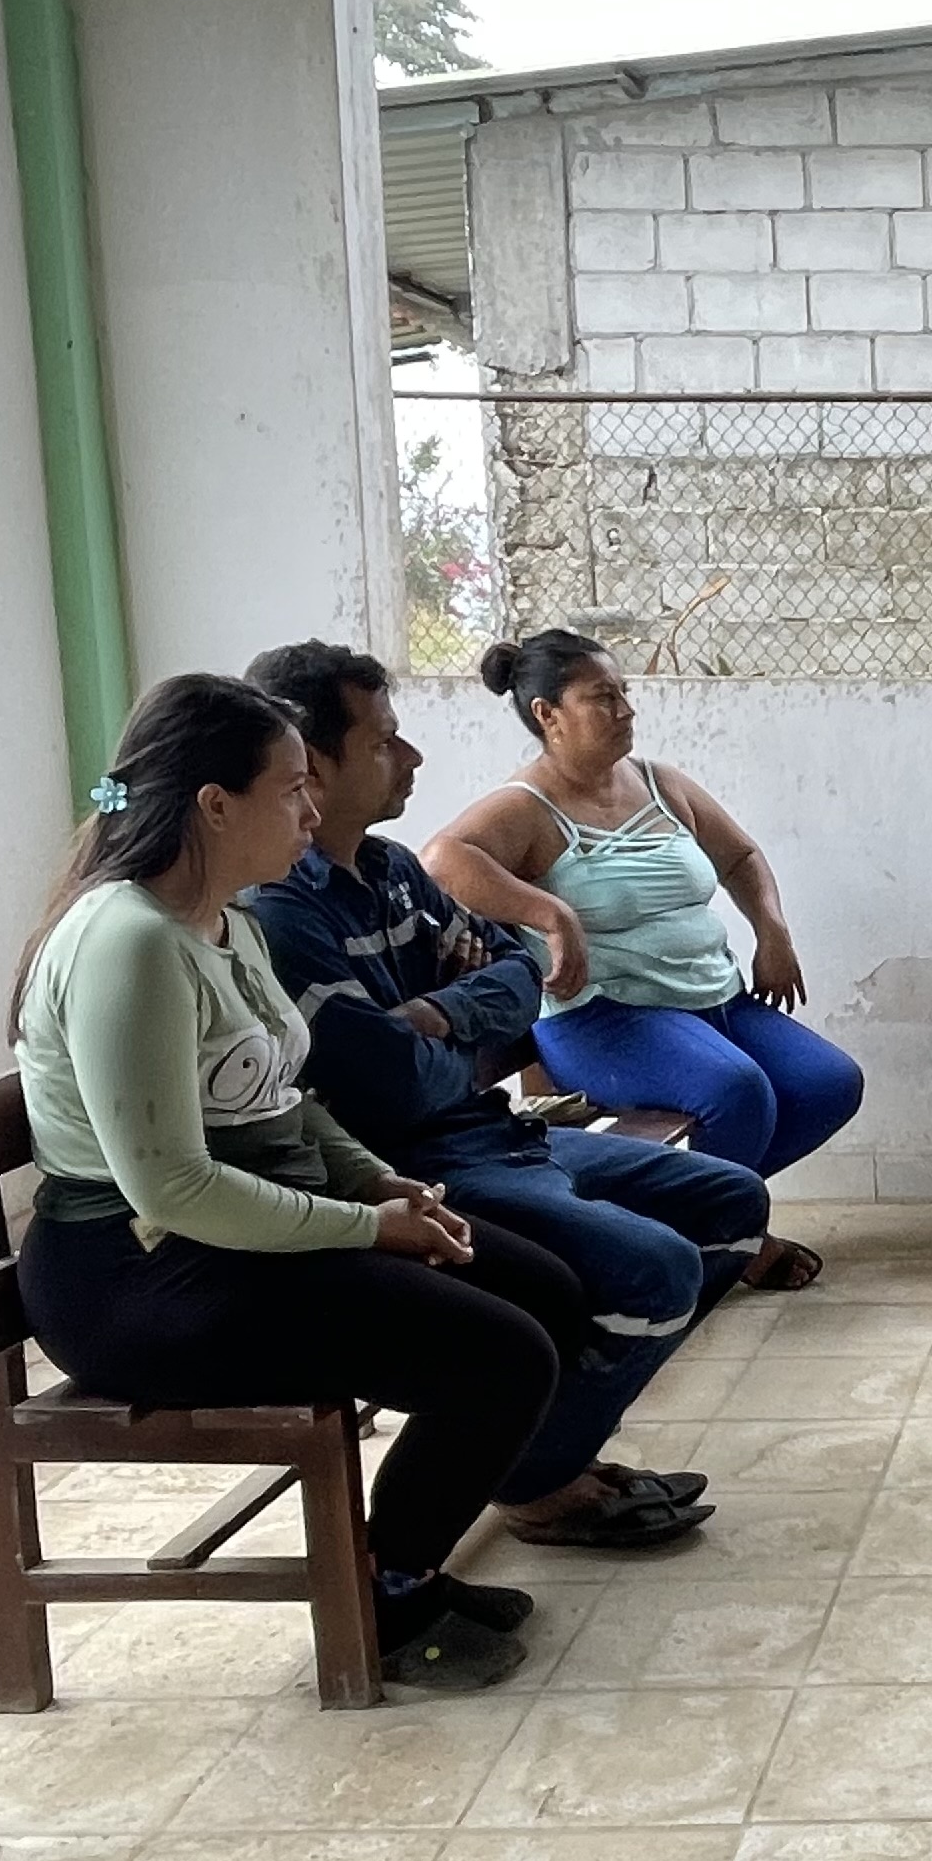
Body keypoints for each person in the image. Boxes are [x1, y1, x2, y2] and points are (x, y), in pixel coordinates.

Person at [12, 673, 611, 1694]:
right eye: (291, 789)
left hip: (232, 1240)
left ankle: (403, 1560)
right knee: (499, 1355)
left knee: (543, 1290)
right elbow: (171, 1191)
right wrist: (367, 1229)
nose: (309, 809)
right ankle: (387, 1596)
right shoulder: (128, 941)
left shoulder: (224, 922)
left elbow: (285, 1099)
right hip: (140, 1281)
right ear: (215, 805)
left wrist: (381, 1184)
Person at [243, 638, 762, 1547]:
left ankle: (539, 1457)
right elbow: (386, 1082)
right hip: (409, 1166)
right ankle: (536, 1476)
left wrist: (432, 1017)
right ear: (311, 766)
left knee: (730, 1203)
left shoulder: (393, 871)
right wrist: (449, 1031)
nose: (412, 757)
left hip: (489, 1131)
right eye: (384, 742)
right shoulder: (283, 911)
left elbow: (519, 975)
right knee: (655, 1269)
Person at [423, 632, 860, 1276]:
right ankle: (725, 1247)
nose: (626, 709)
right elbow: (442, 860)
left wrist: (773, 932)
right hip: (604, 1018)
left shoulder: (660, 783)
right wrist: (550, 913)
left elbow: (740, 855)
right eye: (603, 698)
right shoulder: (526, 806)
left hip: (714, 999)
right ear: (548, 714)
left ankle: (684, 1223)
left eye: (624, 693)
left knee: (829, 1083)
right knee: (737, 1091)